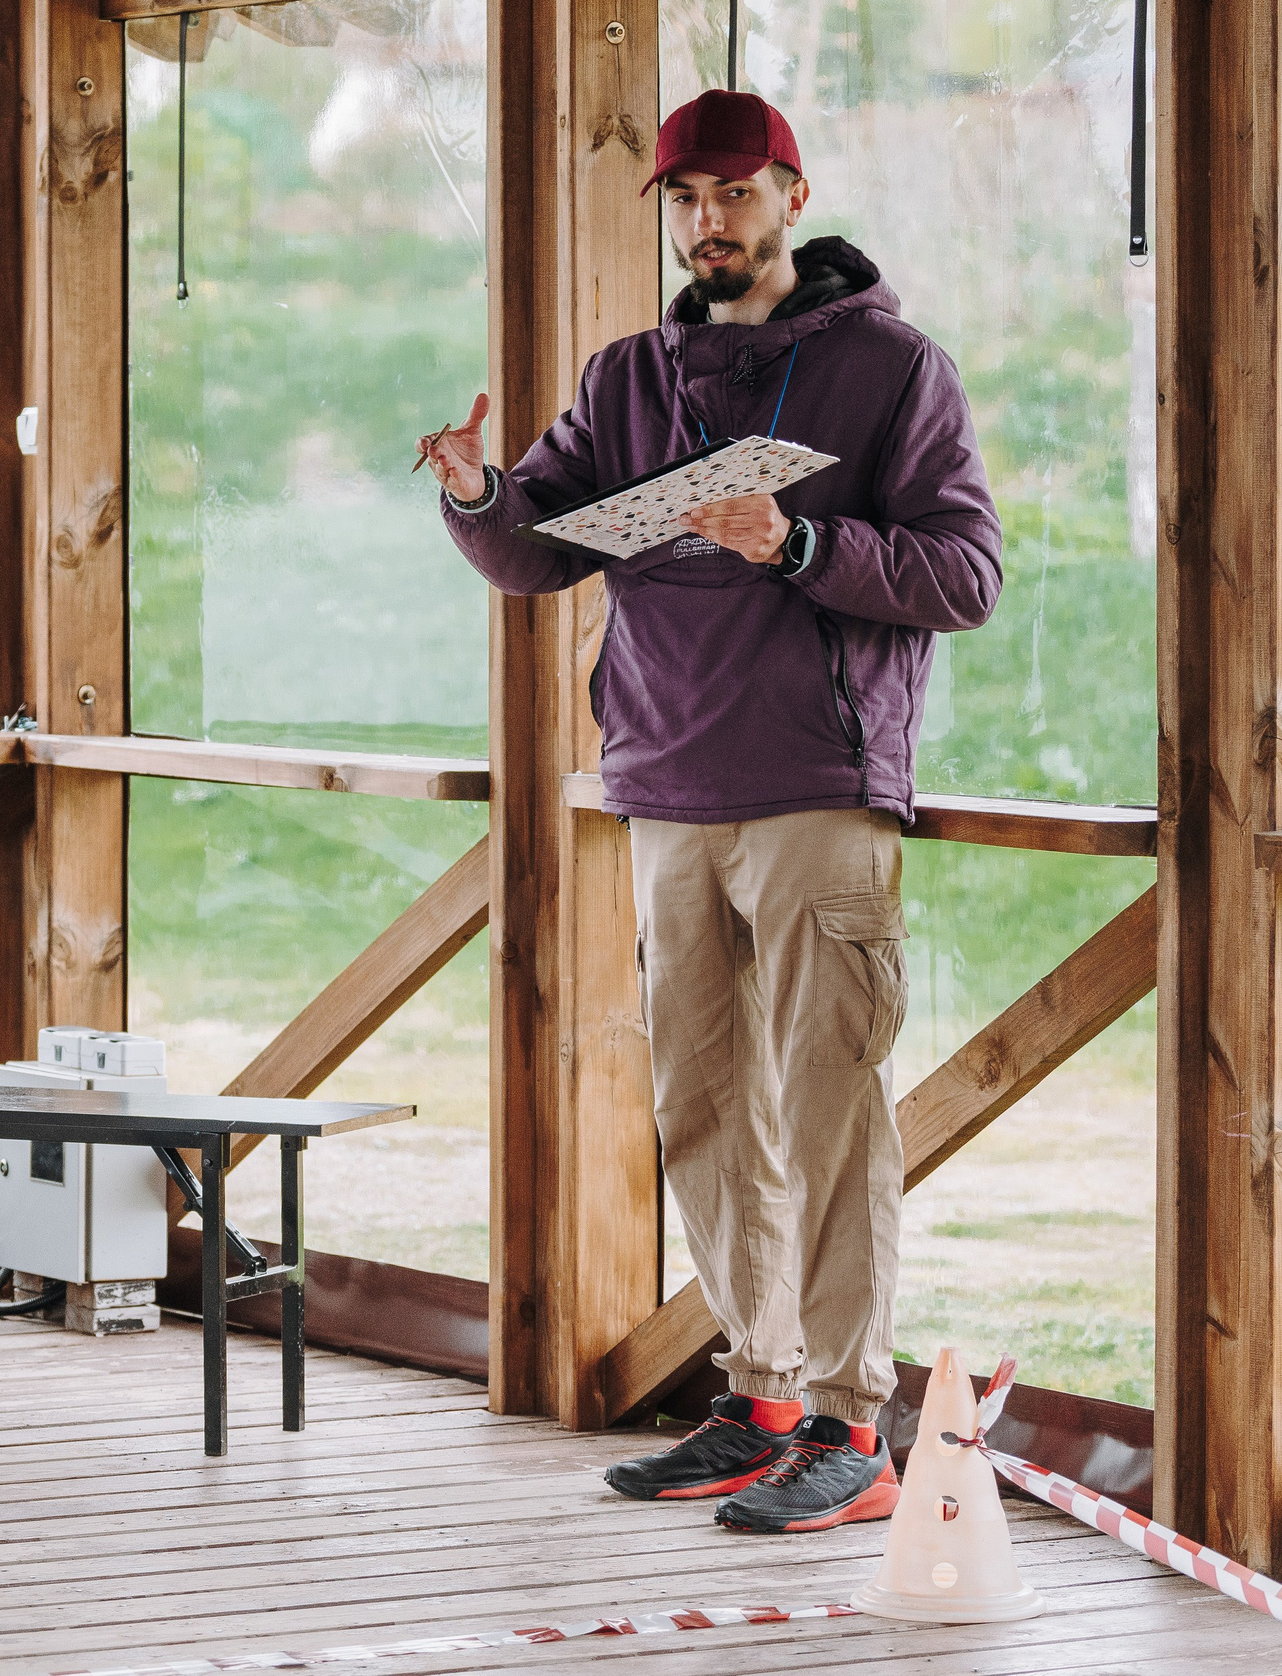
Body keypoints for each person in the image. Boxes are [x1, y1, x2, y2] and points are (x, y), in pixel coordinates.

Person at [418, 90, 1001, 1534]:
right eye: (685, 198)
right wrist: (479, 492)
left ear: (793, 196)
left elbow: (965, 575)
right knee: (702, 1113)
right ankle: (762, 1399)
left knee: (832, 1114)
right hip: (663, 790)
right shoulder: (628, 377)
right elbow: (537, 552)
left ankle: (854, 1427)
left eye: (736, 192)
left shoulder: (894, 371)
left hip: (818, 793)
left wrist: (801, 542)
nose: (709, 220)